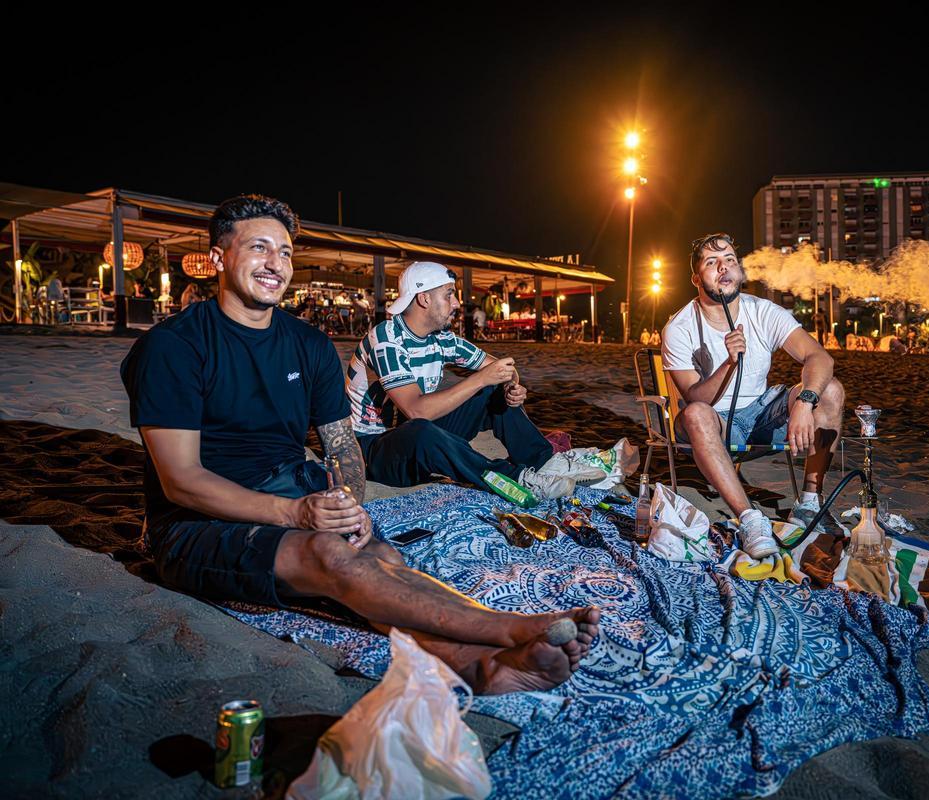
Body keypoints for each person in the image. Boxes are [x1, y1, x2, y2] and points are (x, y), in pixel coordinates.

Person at [121, 196, 597, 695]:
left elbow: (342, 447)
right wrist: (294, 514)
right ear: (217, 258)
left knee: (380, 561)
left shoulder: (307, 344)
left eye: (284, 252)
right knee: (332, 555)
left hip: (293, 486)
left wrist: (349, 502)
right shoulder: (174, 346)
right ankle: (513, 628)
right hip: (198, 523)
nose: (275, 264)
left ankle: (482, 667)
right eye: (259, 248)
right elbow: (181, 481)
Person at [346, 261, 598, 502]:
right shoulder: (386, 340)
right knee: (422, 429)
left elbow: (504, 368)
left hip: (421, 437)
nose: (456, 303)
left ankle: (544, 461)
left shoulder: (441, 338)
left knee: (491, 394)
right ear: (424, 298)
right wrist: (480, 380)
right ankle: (515, 479)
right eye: (448, 295)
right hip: (374, 452)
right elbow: (416, 409)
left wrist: (510, 387)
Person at [662, 233, 845, 559]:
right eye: (711, 262)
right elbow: (693, 397)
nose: (723, 267)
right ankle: (750, 519)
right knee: (695, 414)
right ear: (696, 278)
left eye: (730, 259)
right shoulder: (680, 326)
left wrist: (805, 402)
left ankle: (809, 504)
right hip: (715, 421)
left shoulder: (764, 311)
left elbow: (820, 358)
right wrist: (728, 365)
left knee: (829, 389)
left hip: (762, 412)